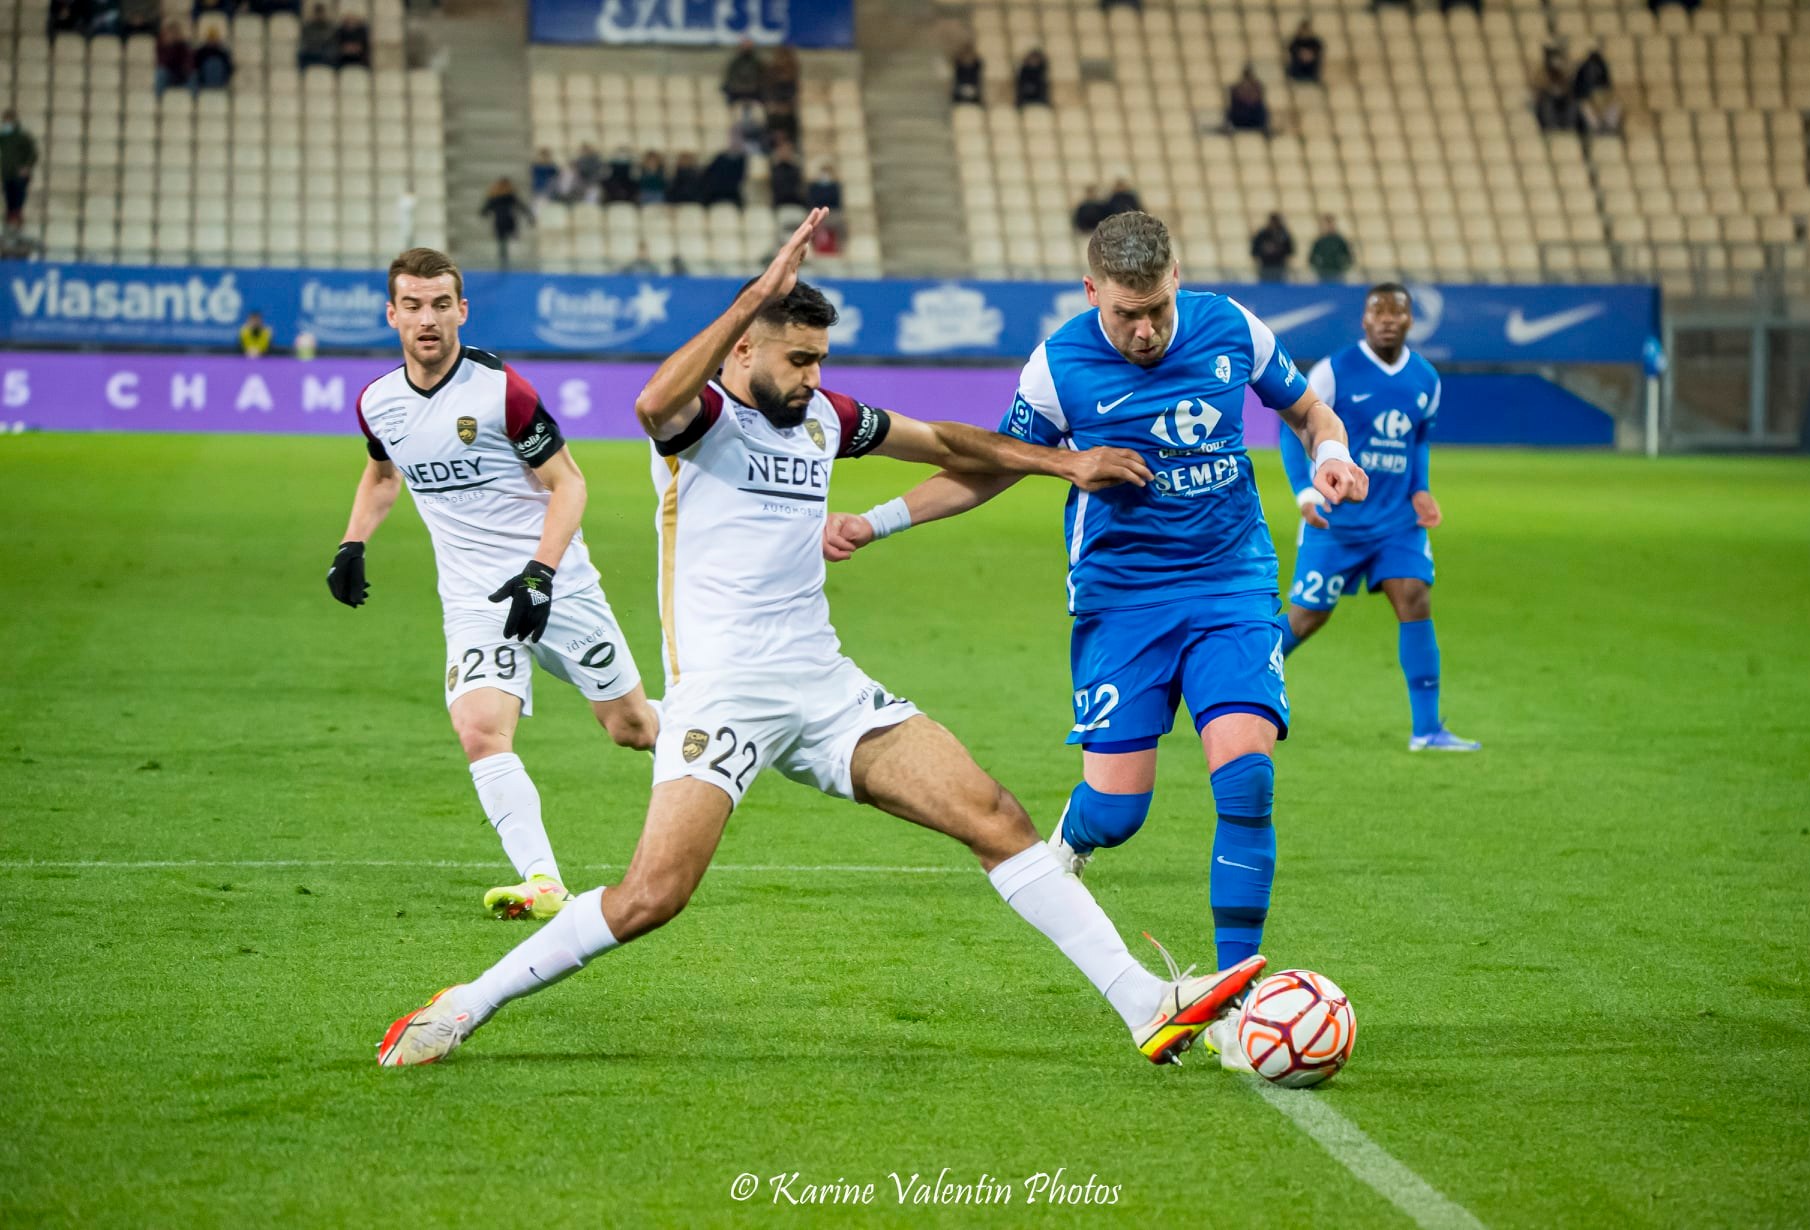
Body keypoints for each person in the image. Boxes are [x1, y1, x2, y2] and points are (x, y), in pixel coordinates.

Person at [377, 211, 1268, 1069]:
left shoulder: (825, 418)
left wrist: (1062, 461)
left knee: (995, 818)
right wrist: (751, 294)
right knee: (651, 897)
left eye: (820, 360)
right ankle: (466, 1003)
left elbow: (946, 441)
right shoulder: (699, 424)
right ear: (743, 349)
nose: (811, 376)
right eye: (797, 359)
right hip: (726, 695)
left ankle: (1145, 1003)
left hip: (826, 687)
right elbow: (652, 401)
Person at [822, 212, 1367, 1065]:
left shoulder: (1233, 328)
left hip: (1230, 584)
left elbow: (1307, 410)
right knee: (1119, 811)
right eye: (1124, 314)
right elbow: (992, 465)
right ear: (1090, 293)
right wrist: (877, 520)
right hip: (1121, 601)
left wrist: (1331, 450)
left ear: (1176, 279)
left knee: (1247, 779)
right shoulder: (1059, 365)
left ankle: (1235, 1002)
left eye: (1155, 310)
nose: (1143, 331)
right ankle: (1074, 842)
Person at [330, 247, 658, 927]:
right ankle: (543, 881)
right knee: (480, 730)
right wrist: (352, 542)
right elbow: (383, 474)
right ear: (392, 314)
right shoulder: (378, 403)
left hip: (556, 586)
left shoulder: (502, 391)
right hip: (473, 600)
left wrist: (541, 573)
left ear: (462, 310)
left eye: (440, 305)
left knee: (630, 729)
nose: (427, 319)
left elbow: (569, 484)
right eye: (413, 306)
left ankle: (712, 734)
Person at [1278, 287, 1478, 753]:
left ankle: (1427, 730)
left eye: (1397, 312)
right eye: (1378, 311)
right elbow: (1294, 428)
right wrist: (1305, 493)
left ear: (1411, 321)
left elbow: (1418, 439)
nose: (1387, 319)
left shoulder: (1425, 378)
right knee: (1307, 618)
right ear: (1363, 321)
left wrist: (1420, 488)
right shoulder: (1334, 370)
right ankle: (1236, 677)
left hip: (1396, 522)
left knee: (1414, 597)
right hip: (1336, 521)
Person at [479, 178, 533, 270]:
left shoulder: (496, 197)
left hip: (501, 222)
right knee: (506, 244)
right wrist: (529, 216)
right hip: (508, 221)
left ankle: (505, 263)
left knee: (503, 244)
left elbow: (485, 210)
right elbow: (522, 207)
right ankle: (506, 263)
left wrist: (486, 212)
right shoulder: (508, 197)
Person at [0, 110, 37, 231]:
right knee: (9, 197)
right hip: (7, 173)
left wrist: (26, 167)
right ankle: (10, 222)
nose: (6, 123)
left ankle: (17, 221)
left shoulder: (22, 136)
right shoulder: (3, 137)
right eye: (5, 121)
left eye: (8, 121)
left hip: (20, 175)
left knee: (18, 199)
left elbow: (33, 153)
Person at [1308, 215, 1353, 282]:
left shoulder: (1340, 241)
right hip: (1323, 274)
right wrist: (1319, 268)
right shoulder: (1320, 241)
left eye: (1331, 223)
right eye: (1327, 224)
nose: (1329, 226)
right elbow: (1311, 259)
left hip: (1338, 274)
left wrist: (1342, 267)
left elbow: (1349, 258)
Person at [1250, 212, 1294, 281]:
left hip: (1279, 267)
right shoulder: (1262, 235)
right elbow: (1254, 251)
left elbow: (1290, 250)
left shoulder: (1284, 234)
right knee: (1266, 285)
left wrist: (1279, 250)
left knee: (1279, 285)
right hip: (1265, 267)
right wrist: (1264, 250)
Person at [155, 20, 195, 96]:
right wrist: (171, 47)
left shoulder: (184, 46)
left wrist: (185, 70)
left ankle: (193, 100)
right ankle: (158, 99)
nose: (172, 36)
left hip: (182, 74)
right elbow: (163, 62)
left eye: (174, 33)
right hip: (169, 75)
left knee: (193, 75)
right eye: (170, 33)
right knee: (161, 73)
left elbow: (189, 62)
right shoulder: (162, 46)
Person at [702, 141, 746, 208]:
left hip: (731, 193)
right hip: (715, 192)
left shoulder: (742, 160)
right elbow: (708, 173)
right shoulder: (720, 158)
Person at [1226, 66, 1269, 133]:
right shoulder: (1236, 88)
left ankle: (1264, 129)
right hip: (1240, 118)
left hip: (1254, 118)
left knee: (1262, 109)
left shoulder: (1257, 87)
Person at [722, 38, 764, 104]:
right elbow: (731, 77)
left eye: (749, 47)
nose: (746, 49)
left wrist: (753, 87)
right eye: (745, 46)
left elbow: (762, 76)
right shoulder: (735, 62)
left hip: (754, 91)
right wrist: (739, 87)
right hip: (737, 91)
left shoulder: (757, 62)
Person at [1286, 20, 1324, 84]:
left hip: (1311, 69)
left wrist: (1309, 55)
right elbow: (1292, 50)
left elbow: (1318, 50)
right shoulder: (1295, 41)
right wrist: (1302, 54)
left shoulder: (1315, 42)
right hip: (1298, 69)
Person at [768, 141, 805, 208]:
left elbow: (797, 186)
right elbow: (776, 186)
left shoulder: (795, 169)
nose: (785, 153)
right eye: (782, 151)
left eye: (787, 151)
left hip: (794, 199)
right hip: (780, 200)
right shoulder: (775, 169)